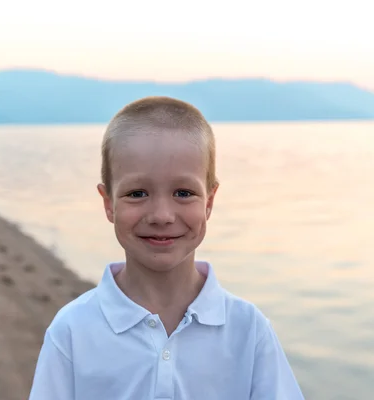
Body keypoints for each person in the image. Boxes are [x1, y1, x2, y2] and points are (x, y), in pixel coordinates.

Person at [28, 96, 304, 400]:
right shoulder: (72, 331)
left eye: (183, 193)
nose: (161, 215)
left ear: (209, 202)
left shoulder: (248, 330)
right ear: (108, 203)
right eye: (137, 193)